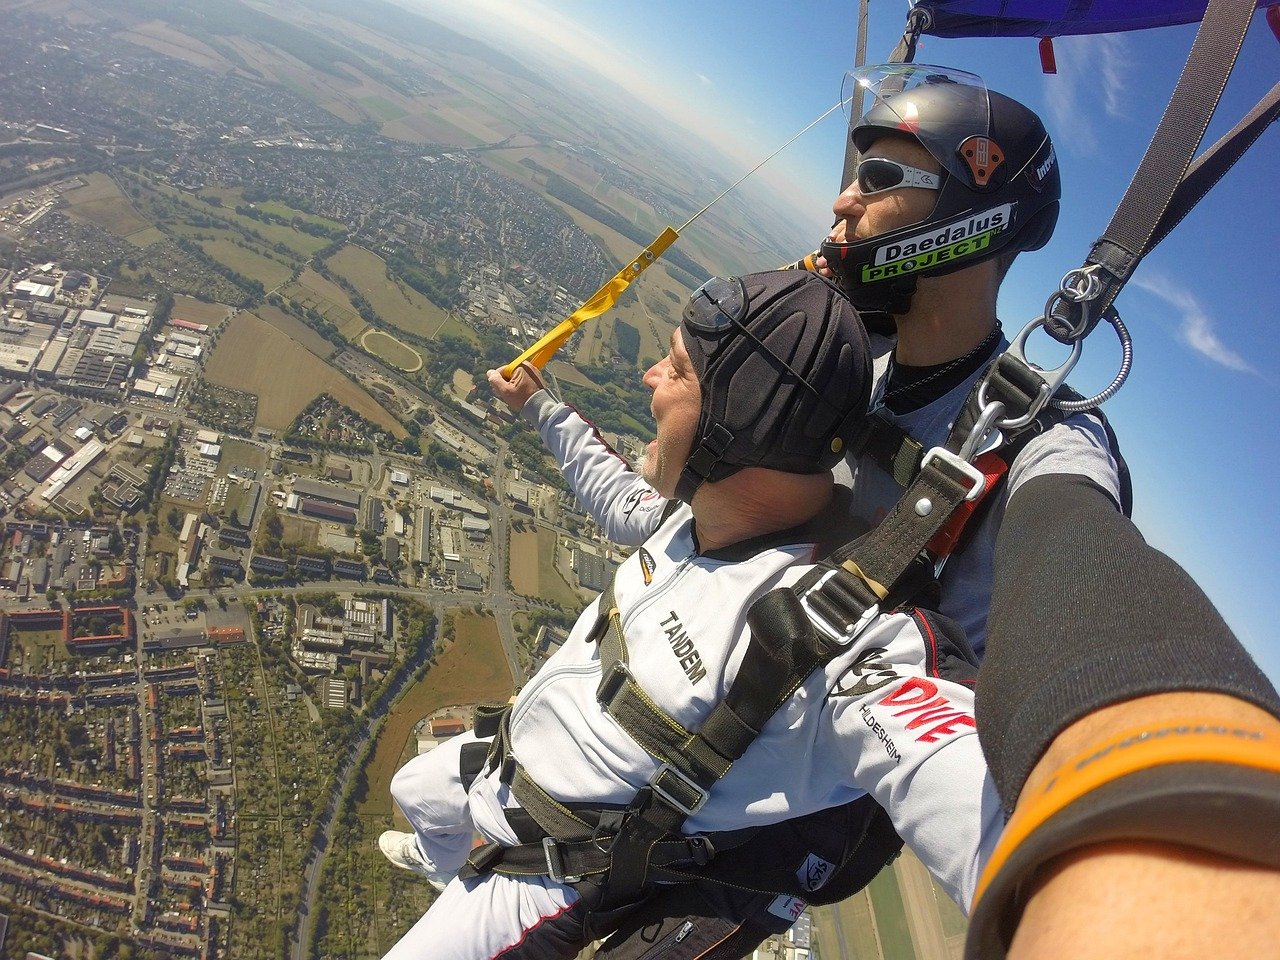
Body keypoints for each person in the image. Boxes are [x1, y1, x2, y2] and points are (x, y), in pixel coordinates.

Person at [375, 271, 1004, 959]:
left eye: (676, 367)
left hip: (548, 872)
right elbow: (620, 500)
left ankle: (461, 892)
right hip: (507, 766)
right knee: (414, 787)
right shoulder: (696, 516)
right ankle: (447, 871)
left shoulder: (827, 638)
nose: (650, 376)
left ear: (740, 423)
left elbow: (962, 784)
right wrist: (538, 406)